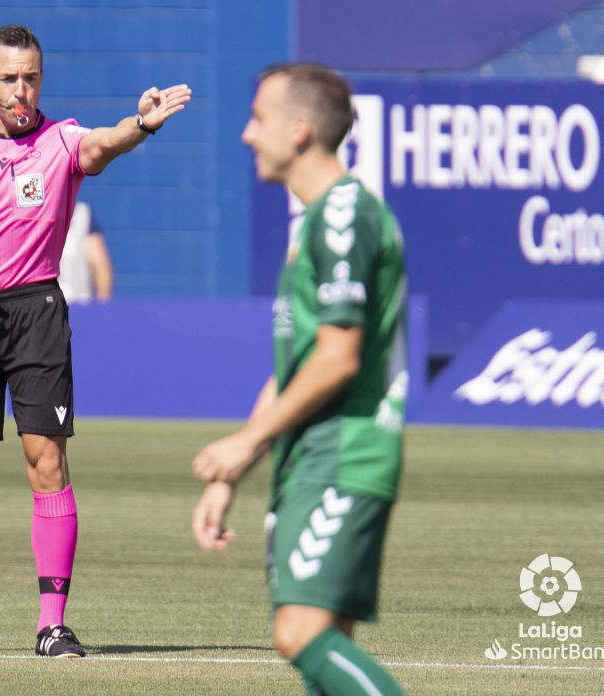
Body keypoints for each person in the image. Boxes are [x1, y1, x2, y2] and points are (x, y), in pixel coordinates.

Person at [0, 24, 190, 656]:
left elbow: (102, 145)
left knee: (46, 461)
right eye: (11, 78)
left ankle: (52, 623)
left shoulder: (61, 141)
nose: (23, 89)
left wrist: (143, 123)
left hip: (38, 311)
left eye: (33, 77)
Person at [192, 63, 406, 695]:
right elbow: (295, 370)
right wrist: (243, 459)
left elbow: (338, 358)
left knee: (299, 634)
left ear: (302, 131)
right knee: (325, 647)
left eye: (259, 119)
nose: (247, 135)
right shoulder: (315, 223)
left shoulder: (343, 217)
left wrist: (240, 444)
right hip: (311, 457)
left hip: (344, 455)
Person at [58, 201, 113, 303]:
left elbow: (100, 264)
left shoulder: (82, 215)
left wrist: (103, 304)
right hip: (49, 304)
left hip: (79, 301)